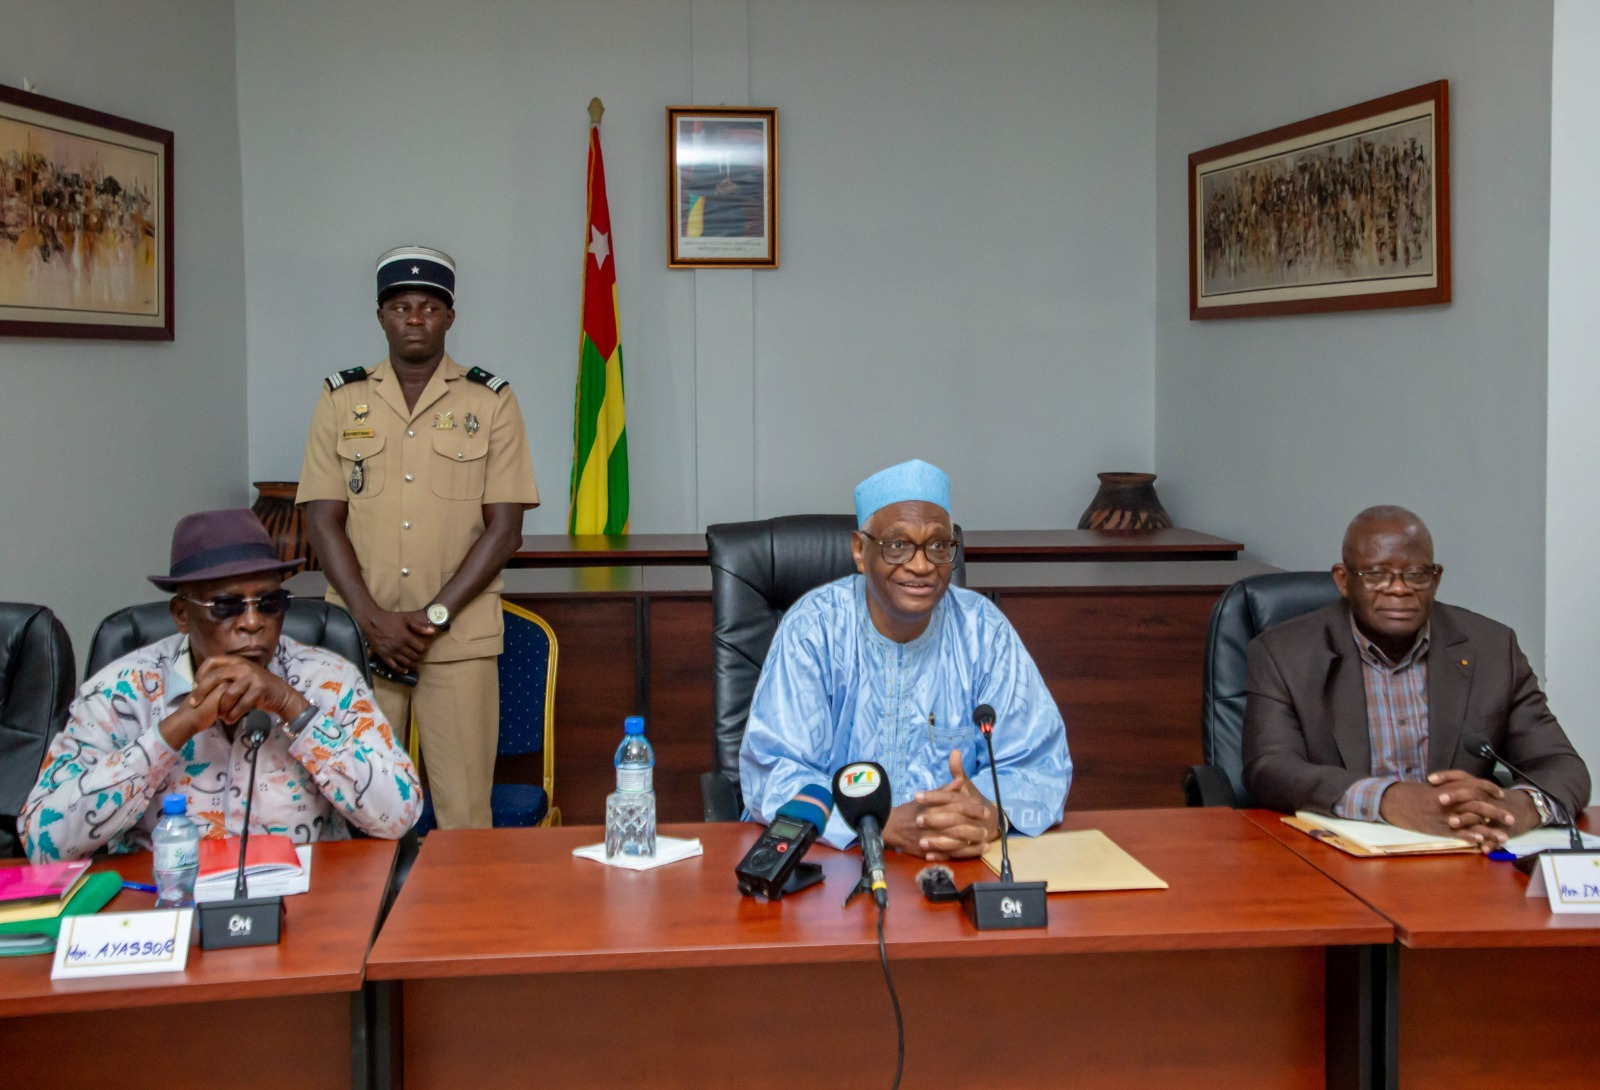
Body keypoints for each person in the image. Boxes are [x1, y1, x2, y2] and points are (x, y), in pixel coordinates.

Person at [20, 509, 421, 862]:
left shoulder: (328, 679)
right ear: (181, 613)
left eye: (269, 603)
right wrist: (176, 729)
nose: (252, 622)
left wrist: (293, 706)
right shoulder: (120, 693)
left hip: (306, 897)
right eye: (227, 606)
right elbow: (43, 843)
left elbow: (400, 816)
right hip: (165, 898)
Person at [297, 246, 539, 830]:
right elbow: (322, 519)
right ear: (380, 316)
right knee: (355, 811)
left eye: (429, 307)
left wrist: (433, 617)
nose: (414, 318)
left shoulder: (490, 401)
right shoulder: (341, 399)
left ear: (449, 317)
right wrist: (371, 619)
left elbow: (505, 529)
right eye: (400, 306)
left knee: (465, 816)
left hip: (457, 639)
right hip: (360, 639)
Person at [739, 460, 1071, 859]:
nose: (921, 565)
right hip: (834, 864)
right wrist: (879, 824)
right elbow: (773, 771)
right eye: (897, 545)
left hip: (953, 864)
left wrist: (986, 812)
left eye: (938, 545)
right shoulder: (814, 629)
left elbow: (1039, 764)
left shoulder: (984, 631)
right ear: (860, 551)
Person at [1243, 505, 1590, 845]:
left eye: (1416, 574)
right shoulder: (1284, 653)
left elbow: (1561, 764)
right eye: (1376, 574)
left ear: (1435, 579)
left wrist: (1520, 809)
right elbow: (1269, 769)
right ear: (1343, 580)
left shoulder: (1492, 649)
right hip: (1338, 854)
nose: (1399, 589)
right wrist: (1389, 800)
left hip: (1467, 850)